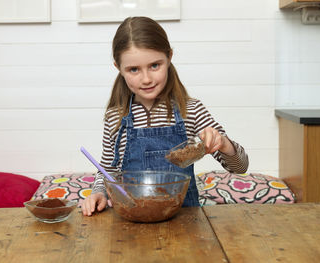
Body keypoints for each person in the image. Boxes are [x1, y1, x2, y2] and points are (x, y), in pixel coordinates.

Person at [81, 16, 249, 216]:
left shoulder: (191, 110)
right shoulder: (115, 117)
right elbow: (107, 171)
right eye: (133, 69)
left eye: (155, 65)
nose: (146, 79)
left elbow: (240, 167)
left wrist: (223, 143)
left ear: (169, 57)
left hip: (184, 222)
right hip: (133, 222)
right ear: (119, 68)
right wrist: (99, 193)